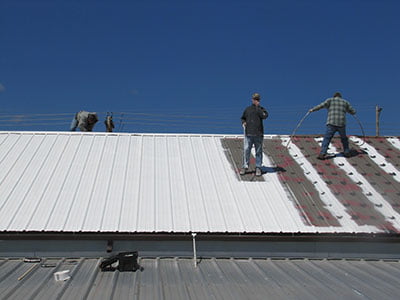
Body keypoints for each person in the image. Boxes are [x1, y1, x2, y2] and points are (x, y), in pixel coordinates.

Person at [309, 92, 356, 159]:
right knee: (344, 138)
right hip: (341, 123)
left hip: (331, 122)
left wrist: (312, 110)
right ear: (340, 97)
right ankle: (346, 152)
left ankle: (323, 153)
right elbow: (352, 111)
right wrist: (352, 113)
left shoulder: (330, 100)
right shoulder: (345, 102)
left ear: (334, 96)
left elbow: (321, 105)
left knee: (327, 138)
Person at [240, 93, 269, 176]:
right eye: (254, 99)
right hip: (248, 133)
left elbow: (265, 116)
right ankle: (245, 167)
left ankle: (258, 167)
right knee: (246, 150)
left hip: (258, 134)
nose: (256, 101)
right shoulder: (248, 109)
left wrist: (258, 108)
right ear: (252, 100)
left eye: (257, 99)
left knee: (258, 151)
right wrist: (244, 122)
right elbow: (242, 117)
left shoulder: (261, 109)